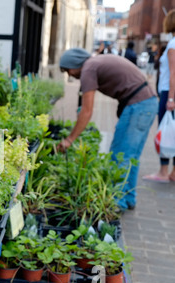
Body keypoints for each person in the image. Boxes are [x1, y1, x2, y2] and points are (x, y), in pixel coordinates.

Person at [58, 48, 158, 211]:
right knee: (131, 157)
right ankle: (128, 198)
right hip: (148, 103)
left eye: (67, 70)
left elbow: (87, 111)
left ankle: (116, 202)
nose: (69, 75)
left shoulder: (88, 68)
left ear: (75, 64)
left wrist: (69, 139)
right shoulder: (95, 63)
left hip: (137, 106)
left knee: (120, 156)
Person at [143, 9, 175, 183]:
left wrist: (170, 99)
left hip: (169, 93)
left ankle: (163, 171)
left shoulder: (172, 45)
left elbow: (173, 74)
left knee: (165, 131)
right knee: (174, 131)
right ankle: (173, 172)